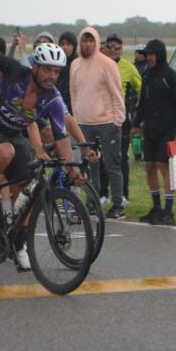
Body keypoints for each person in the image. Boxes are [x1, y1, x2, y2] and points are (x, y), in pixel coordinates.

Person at [0, 0, 90, 271]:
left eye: (56, 72)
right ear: (36, 67)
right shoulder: (17, 72)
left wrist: (71, 166)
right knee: (6, 153)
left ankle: (13, 239)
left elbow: (62, 136)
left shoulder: (52, 98)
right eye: (47, 70)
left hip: (13, 133)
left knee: (26, 189)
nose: (52, 76)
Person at [70, 26, 127, 219]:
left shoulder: (107, 64)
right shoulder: (75, 64)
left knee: (112, 164)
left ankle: (118, 204)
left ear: (96, 42)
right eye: (84, 41)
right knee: (88, 165)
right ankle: (92, 203)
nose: (87, 44)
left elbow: (117, 92)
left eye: (91, 40)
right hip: (84, 123)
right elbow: (73, 93)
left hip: (107, 122)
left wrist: (118, 120)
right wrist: (75, 120)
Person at [131, 39, 176, 225]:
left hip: (168, 130)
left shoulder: (172, 77)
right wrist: (136, 124)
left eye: (153, 54)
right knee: (149, 167)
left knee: (164, 167)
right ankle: (156, 207)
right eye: (147, 55)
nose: (149, 58)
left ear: (160, 55)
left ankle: (168, 211)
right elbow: (142, 102)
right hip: (151, 129)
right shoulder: (146, 75)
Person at [100, 34, 142, 205]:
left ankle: (123, 195)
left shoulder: (128, 67)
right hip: (101, 116)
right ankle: (102, 194)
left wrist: (137, 110)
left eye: (118, 48)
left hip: (121, 117)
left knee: (121, 156)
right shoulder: (99, 65)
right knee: (102, 155)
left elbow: (141, 88)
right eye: (110, 46)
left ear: (122, 50)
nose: (114, 50)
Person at [57, 31, 78, 113]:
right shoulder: (56, 64)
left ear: (74, 46)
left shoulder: (78, 64)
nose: (65, 47)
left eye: (68, 44)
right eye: (62, 44)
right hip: (58, 106)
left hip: (74, 108)